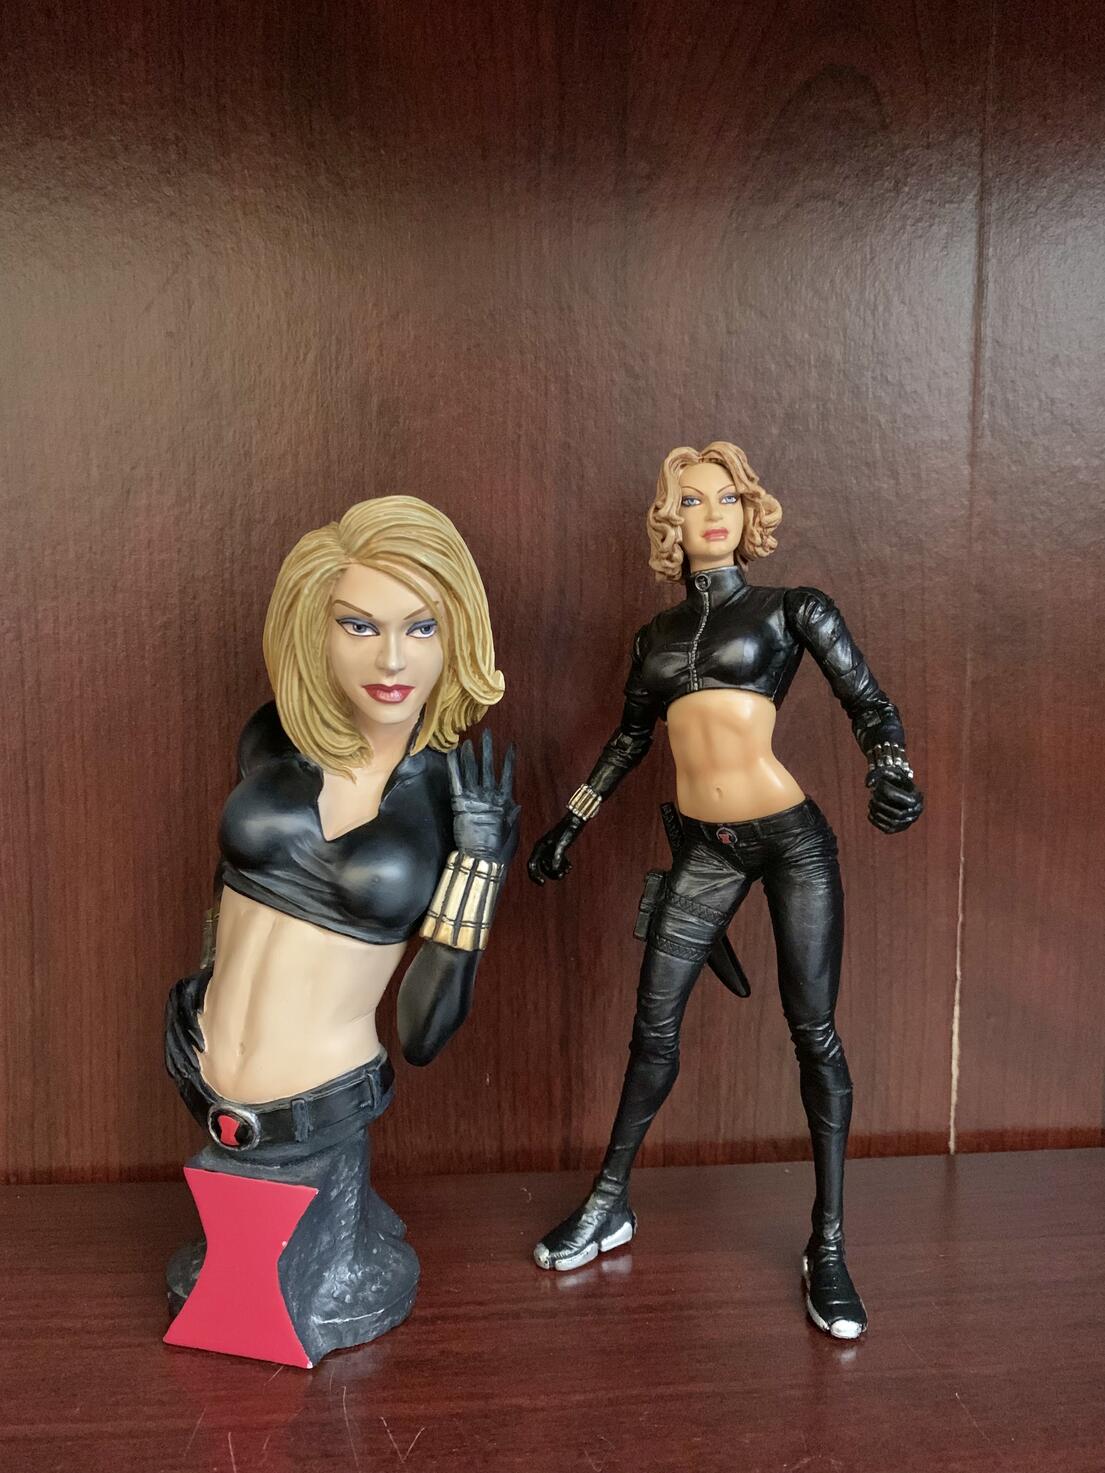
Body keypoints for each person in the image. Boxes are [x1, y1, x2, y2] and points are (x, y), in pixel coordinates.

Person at [528, 443, 922, 1340]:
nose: (710, 514)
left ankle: (827, 1243)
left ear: (750, 512)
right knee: (651, 1028)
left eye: (726, 498)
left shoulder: (791, 609)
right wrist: (569, 823)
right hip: (706, 849)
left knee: (812, 1031)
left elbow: (868, 702)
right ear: (668, 520)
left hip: (789, 841)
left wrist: (890, 769)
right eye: (690, 500)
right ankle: (608, 1200)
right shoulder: (654, 638)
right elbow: (629, 740)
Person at [164, 495, 518, 1364]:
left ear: (456, 634)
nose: (392, 659)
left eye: (421, 627)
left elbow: (423, 1035)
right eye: (359, 625)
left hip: (319, 1106)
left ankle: (334, 1240)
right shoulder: (273, 736)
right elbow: (228, 888)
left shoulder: (454, 798)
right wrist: (204, 979)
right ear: (314, 628)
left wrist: (479, 868)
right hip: (205, 1087)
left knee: (264, 1316)